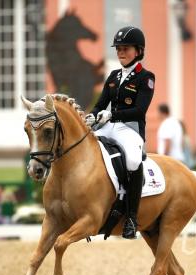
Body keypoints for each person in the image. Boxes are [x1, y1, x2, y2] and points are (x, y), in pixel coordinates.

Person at [85, 26, 155, 239]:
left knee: (133, 161)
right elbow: (100, 104)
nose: (121, 52)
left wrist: (112, 116)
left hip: (130, 129)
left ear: (138, 51)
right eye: (118, 49)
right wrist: (92, 115)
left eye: (125, 48)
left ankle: (132, 219)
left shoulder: (146, 77)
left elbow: (140, 110)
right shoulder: (114, 76)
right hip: (108, 125)